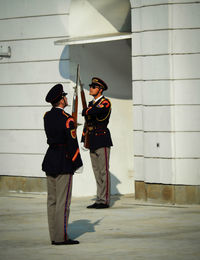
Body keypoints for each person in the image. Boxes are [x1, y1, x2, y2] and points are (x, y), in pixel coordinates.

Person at [42, 83, 83, 245]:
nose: (66, 99)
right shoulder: (67, 119)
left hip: (50, 158)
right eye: (65, 97)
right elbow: (72, 143)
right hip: (64, 160)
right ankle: (61, 237)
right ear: (60, 101)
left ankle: (54, 236)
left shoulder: (47, 116)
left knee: (51, 200)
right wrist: (77, 162)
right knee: (62, 202)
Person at [81, 77, 113, 209]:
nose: (91, 88)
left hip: (102, 139)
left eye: (93, 87)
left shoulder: (105, 102)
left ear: (100, 89)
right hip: (92, 139)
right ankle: (99, 199)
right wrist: (84, 138)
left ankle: (104, 200)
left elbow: (97, 111)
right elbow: (87, 122)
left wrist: (86, 111)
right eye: (91, 86)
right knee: (96, 171)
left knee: (103, 171)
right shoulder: (91, 104)